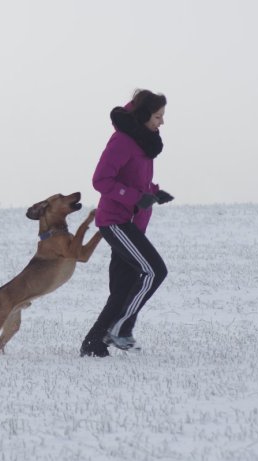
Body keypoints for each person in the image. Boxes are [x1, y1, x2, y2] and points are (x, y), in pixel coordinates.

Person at [80, 89, 173, 358]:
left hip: (133, 222)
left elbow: (136, 181)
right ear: (144, 115)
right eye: (158, 116)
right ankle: (121, 329)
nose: (162, 122)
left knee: (122, 289)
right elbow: (100, 181)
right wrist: (135, 198)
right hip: (115, 222)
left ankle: (92, 345)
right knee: (154, 271)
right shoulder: (122, 141)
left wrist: (153, 193)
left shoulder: (144, 142)